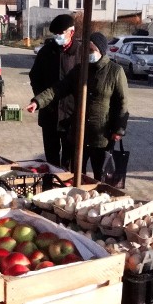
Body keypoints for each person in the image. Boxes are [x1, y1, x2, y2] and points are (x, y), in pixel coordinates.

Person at [26, 32, 129, 181]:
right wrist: (38, 101)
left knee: (100, 177)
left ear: (101, 50)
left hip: (102, 135)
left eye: (91, 50)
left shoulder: (115, 71)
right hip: (78, 133)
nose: (88, 53)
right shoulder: (80, 70)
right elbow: (58, 89)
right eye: (86, 50)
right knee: (76, 175)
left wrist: (119, 129)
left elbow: (122, 102)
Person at [29, 14, 82, 169]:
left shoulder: (81, 52)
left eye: (61, 33)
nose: (57, 37)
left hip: (71, 115)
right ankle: (50, 184)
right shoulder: (46, 51)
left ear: (71, 32)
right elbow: (34, 76)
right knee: (51, 157)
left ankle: (66, 185)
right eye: (55, 34)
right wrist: (41, 98)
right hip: (49, 113)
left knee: (69, 159)